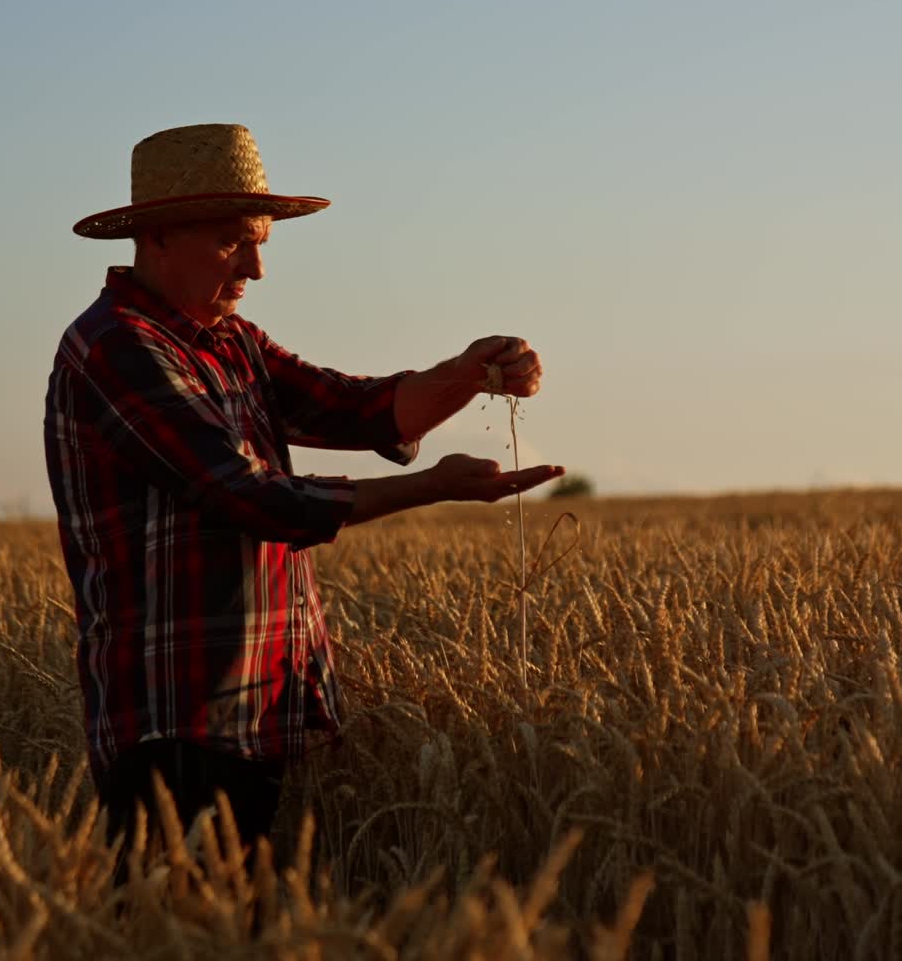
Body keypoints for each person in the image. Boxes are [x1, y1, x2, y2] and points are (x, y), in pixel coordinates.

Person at [44, 123, 564, 865]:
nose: (256, 266)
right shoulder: (116, 347)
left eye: (261, 242)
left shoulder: (232, 341)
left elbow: (359, 410)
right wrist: (432, 487)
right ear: (156, 237)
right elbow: (246, 496)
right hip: (175, 715)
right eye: (232, 242)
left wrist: (473, 370)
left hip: (255, 708)